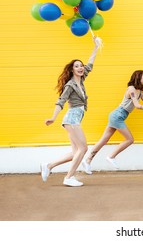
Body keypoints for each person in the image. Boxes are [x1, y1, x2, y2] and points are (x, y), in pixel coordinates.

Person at [41, 36, 102, 187]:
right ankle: (69, 177)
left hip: (75, 119)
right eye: (77, 66)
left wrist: (96, 47)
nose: (81, 68)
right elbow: (60, 102)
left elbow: (90, 64)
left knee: (76, 153)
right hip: (72, 119)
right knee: (83, 148)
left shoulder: (81, 80)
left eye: (81, 66)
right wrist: (53, 118)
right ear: (72, 69)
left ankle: (48, 166)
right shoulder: (70, 85)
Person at [82, 70, 143, 174]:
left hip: (118, 116)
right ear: (138, 77)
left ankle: (87, 161)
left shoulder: (140, 92)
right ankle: (111, 156)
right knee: (130, 139)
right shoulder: (131, 89)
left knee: (103, 140)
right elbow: (137, 106)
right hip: (118, 116)